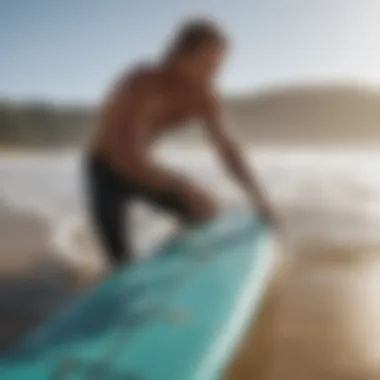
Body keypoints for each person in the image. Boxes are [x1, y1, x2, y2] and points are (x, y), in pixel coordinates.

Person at [86, 18, 277, 267]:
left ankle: (178, 263)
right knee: (120, 260)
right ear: (179, 55)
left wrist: (259, 197)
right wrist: (184, 186)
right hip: (105, 167)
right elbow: (123, 155)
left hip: (140, 166)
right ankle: (123, 280)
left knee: (205, 211)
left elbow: (228, 149)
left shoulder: (204, 97)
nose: (214, 74)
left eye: (219, 66)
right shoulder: (142, 84)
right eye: (207, 64)